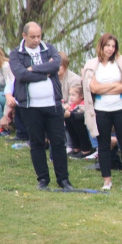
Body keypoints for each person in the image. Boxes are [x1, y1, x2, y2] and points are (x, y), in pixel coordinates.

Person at [9, 21, 73, 191]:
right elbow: (21, 75)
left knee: (58, 142)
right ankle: (43, 179)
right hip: (30, 106)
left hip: (53, 105)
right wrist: (44, 74)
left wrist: (32, 69)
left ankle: (63, 180)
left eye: (39, 36)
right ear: (24, 36)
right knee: (36, 143)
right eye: (33, 37)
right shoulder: (16, 54)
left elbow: (55, 65)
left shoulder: (49, 48)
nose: (37, 40)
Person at [82, 33, 122, 191]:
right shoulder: (93, 65)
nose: (110, 49)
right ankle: (107, 180)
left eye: (113, 46)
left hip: (120, 108)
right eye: (107, 45)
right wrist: (113, 85)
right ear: (101, 46)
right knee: (103, 145)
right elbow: (92, 88)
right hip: (101, 110)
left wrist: (104, 88)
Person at [63, 85, 94, 160]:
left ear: (81, 96)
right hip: (76, 123)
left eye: (73, 95)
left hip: (85, 124)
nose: (71, 97)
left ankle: (85, 149)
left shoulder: (83, 104)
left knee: (74, 118)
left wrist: (70, 113)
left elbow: (82, 115)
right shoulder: (73, 104)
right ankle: (76, 147)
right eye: (70, 95)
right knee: (68, 119)